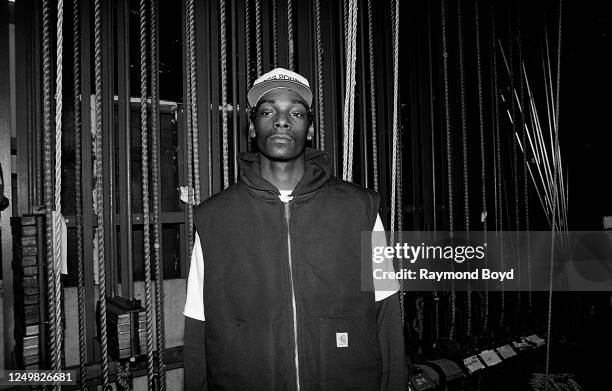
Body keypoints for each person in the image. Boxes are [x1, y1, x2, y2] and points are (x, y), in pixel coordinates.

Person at [183, 68, 407, 390]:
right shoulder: (215, 219)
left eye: (296, 112)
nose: (282, 120)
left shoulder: (359, 209)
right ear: (251, 125)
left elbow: (386, 315)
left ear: (310, 128)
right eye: (268, 110)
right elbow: (197, 326)